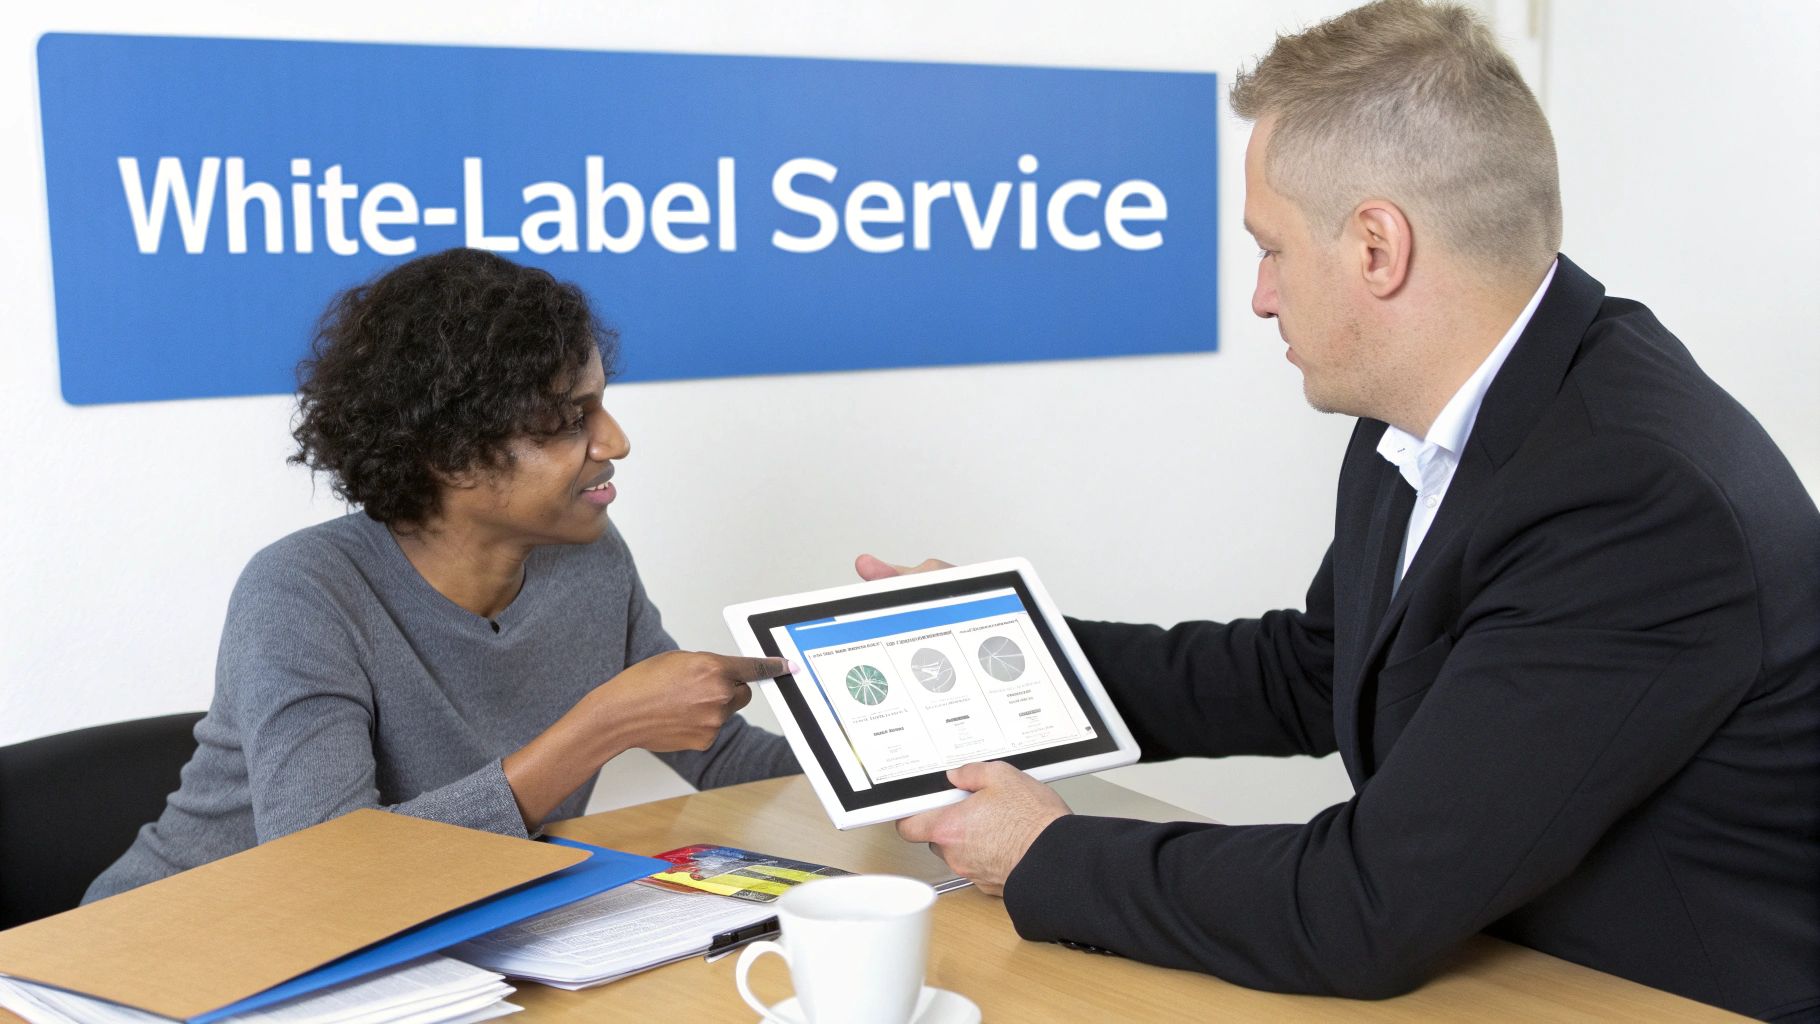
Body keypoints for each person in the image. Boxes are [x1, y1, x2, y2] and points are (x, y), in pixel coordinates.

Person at [861, 1, 1820, 1017]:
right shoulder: (1429, 407)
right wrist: (995, 658)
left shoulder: (1634, 494)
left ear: (1375, 247)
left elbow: (1364, 905)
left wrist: (1044, 852)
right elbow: (1317, 670)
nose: (1260, 296)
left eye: (1270, 249)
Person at [87, 248, 796, 902]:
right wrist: (599, 729)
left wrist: (863, 731)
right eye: (569, 419)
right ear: (451, 455)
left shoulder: (590, 560)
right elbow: (325, 869)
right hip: (170, 944)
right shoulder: (303, 591)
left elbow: (723, 753)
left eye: (601, 405)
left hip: (421, 936)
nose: (615, 441)